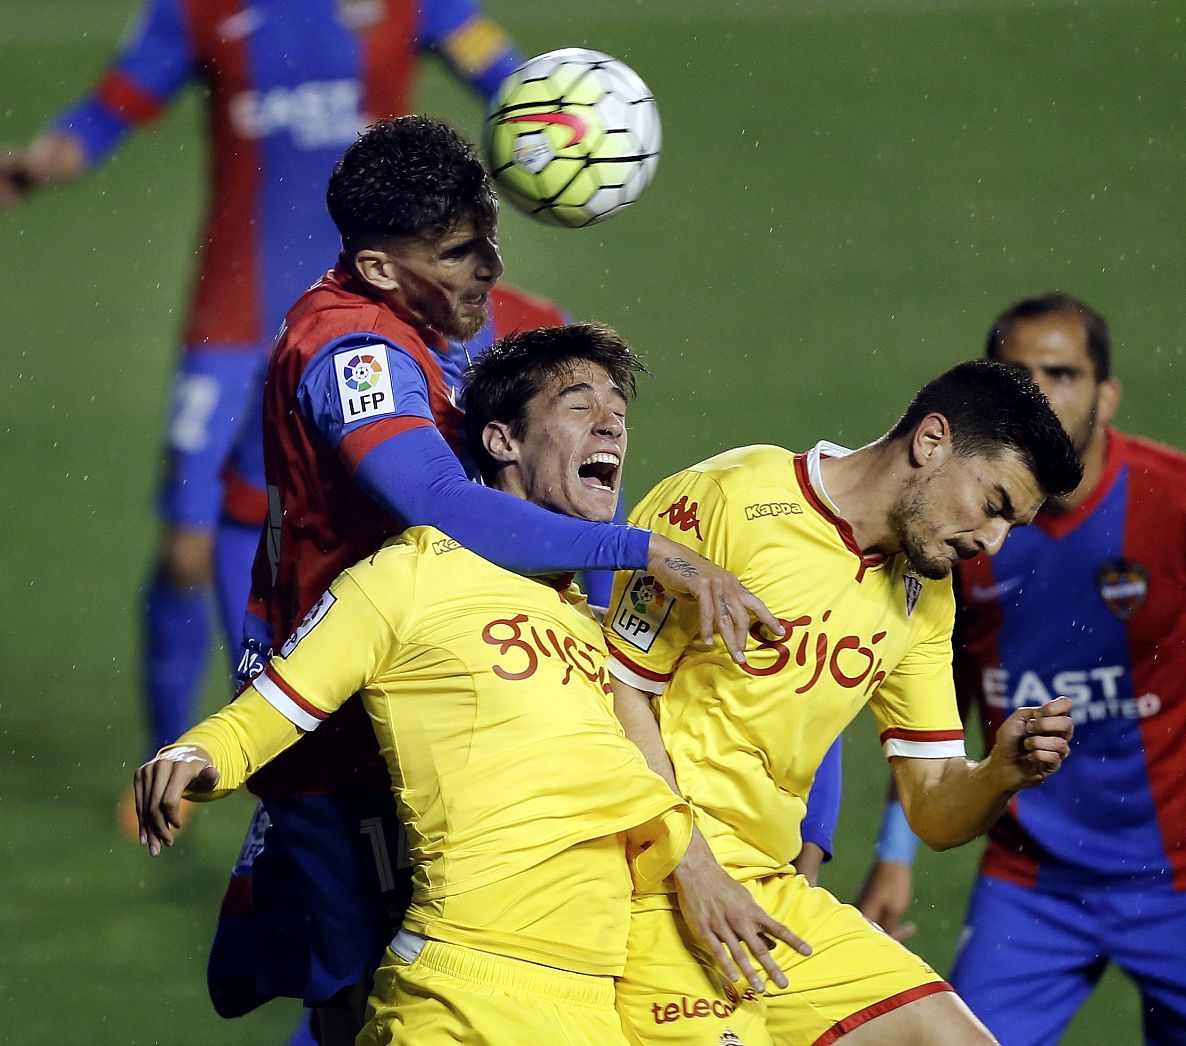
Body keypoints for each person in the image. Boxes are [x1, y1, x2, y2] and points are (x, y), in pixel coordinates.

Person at [212, 114, 780, 1042]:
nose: (488, 268)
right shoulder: (354, 351)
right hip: (348, 726)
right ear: (380, 267)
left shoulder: (421, 326)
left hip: (443, 700)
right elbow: (438, 502)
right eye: (458, 252)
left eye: (489, 238)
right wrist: (647, 552)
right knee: (360, 993)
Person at [0, 0, 529, 805]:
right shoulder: (197, 10)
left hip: (378, 311)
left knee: (409, 521)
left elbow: (512, 85)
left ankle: (388, 744)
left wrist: (564, 125)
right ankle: (166, 756)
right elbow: (110, 109)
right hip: (238, 316)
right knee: (187, 550)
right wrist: (38, 164)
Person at [134, 323, 697, 1045]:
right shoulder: (412, 575)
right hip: (461, 992)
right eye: (580, 404)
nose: (611, 422)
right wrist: (195, 754)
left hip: (591, 1004)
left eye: (618, 408)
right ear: (500, 441)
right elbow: (269, 709)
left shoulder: (590, 627)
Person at [855, 292, 1186, 1045]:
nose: (1039, 393)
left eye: (1061, 374)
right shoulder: (963, 523)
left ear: (1106, 395)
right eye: (1018, 375)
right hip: (1035, 883)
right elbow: (937, 692)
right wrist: (895, 854)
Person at [601, 359, 1084, 1044]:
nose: (992, 542)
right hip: (651, 879)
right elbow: (616, 690)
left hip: (765, 894)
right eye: (995, 504)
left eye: (1015, 526)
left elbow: (934, 807)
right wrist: (694, 869)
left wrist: (1000, 772)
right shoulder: (729, 498)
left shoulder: (925, 595)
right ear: (932, 441)